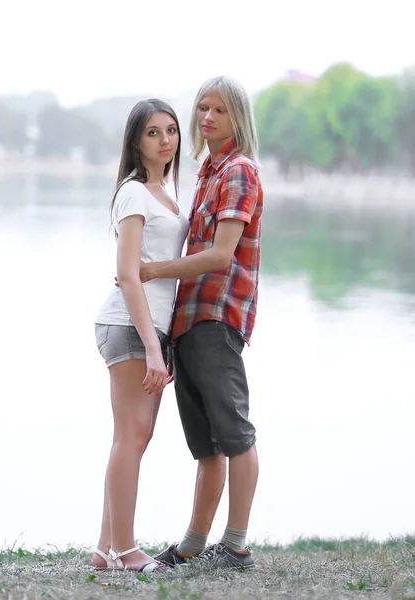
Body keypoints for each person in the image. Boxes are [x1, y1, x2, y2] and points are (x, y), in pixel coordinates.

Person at [139, 76, 264, 569]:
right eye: (202, 109)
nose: (207, 117)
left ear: (238, 119)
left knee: (235, 435)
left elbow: (220, 255)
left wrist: (152, 270)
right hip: (188, 321)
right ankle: (193, 544)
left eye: (219, 110)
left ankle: (235, 546)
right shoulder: (208, 172)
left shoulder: (238, 171)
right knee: (205, 445)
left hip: (216, 318)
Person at [91, 99, 189, 573]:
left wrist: (161, 341)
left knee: (133, 437)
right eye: (153, 132)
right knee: (132, 436)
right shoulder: (134, 193)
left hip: (150, 328)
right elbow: (128, 275)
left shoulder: (164, 191)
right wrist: (153, 348)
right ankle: (126, 551)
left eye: (171, 130)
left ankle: (106, 548)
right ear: (135, 141)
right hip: (131, 326)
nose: (165, 139)